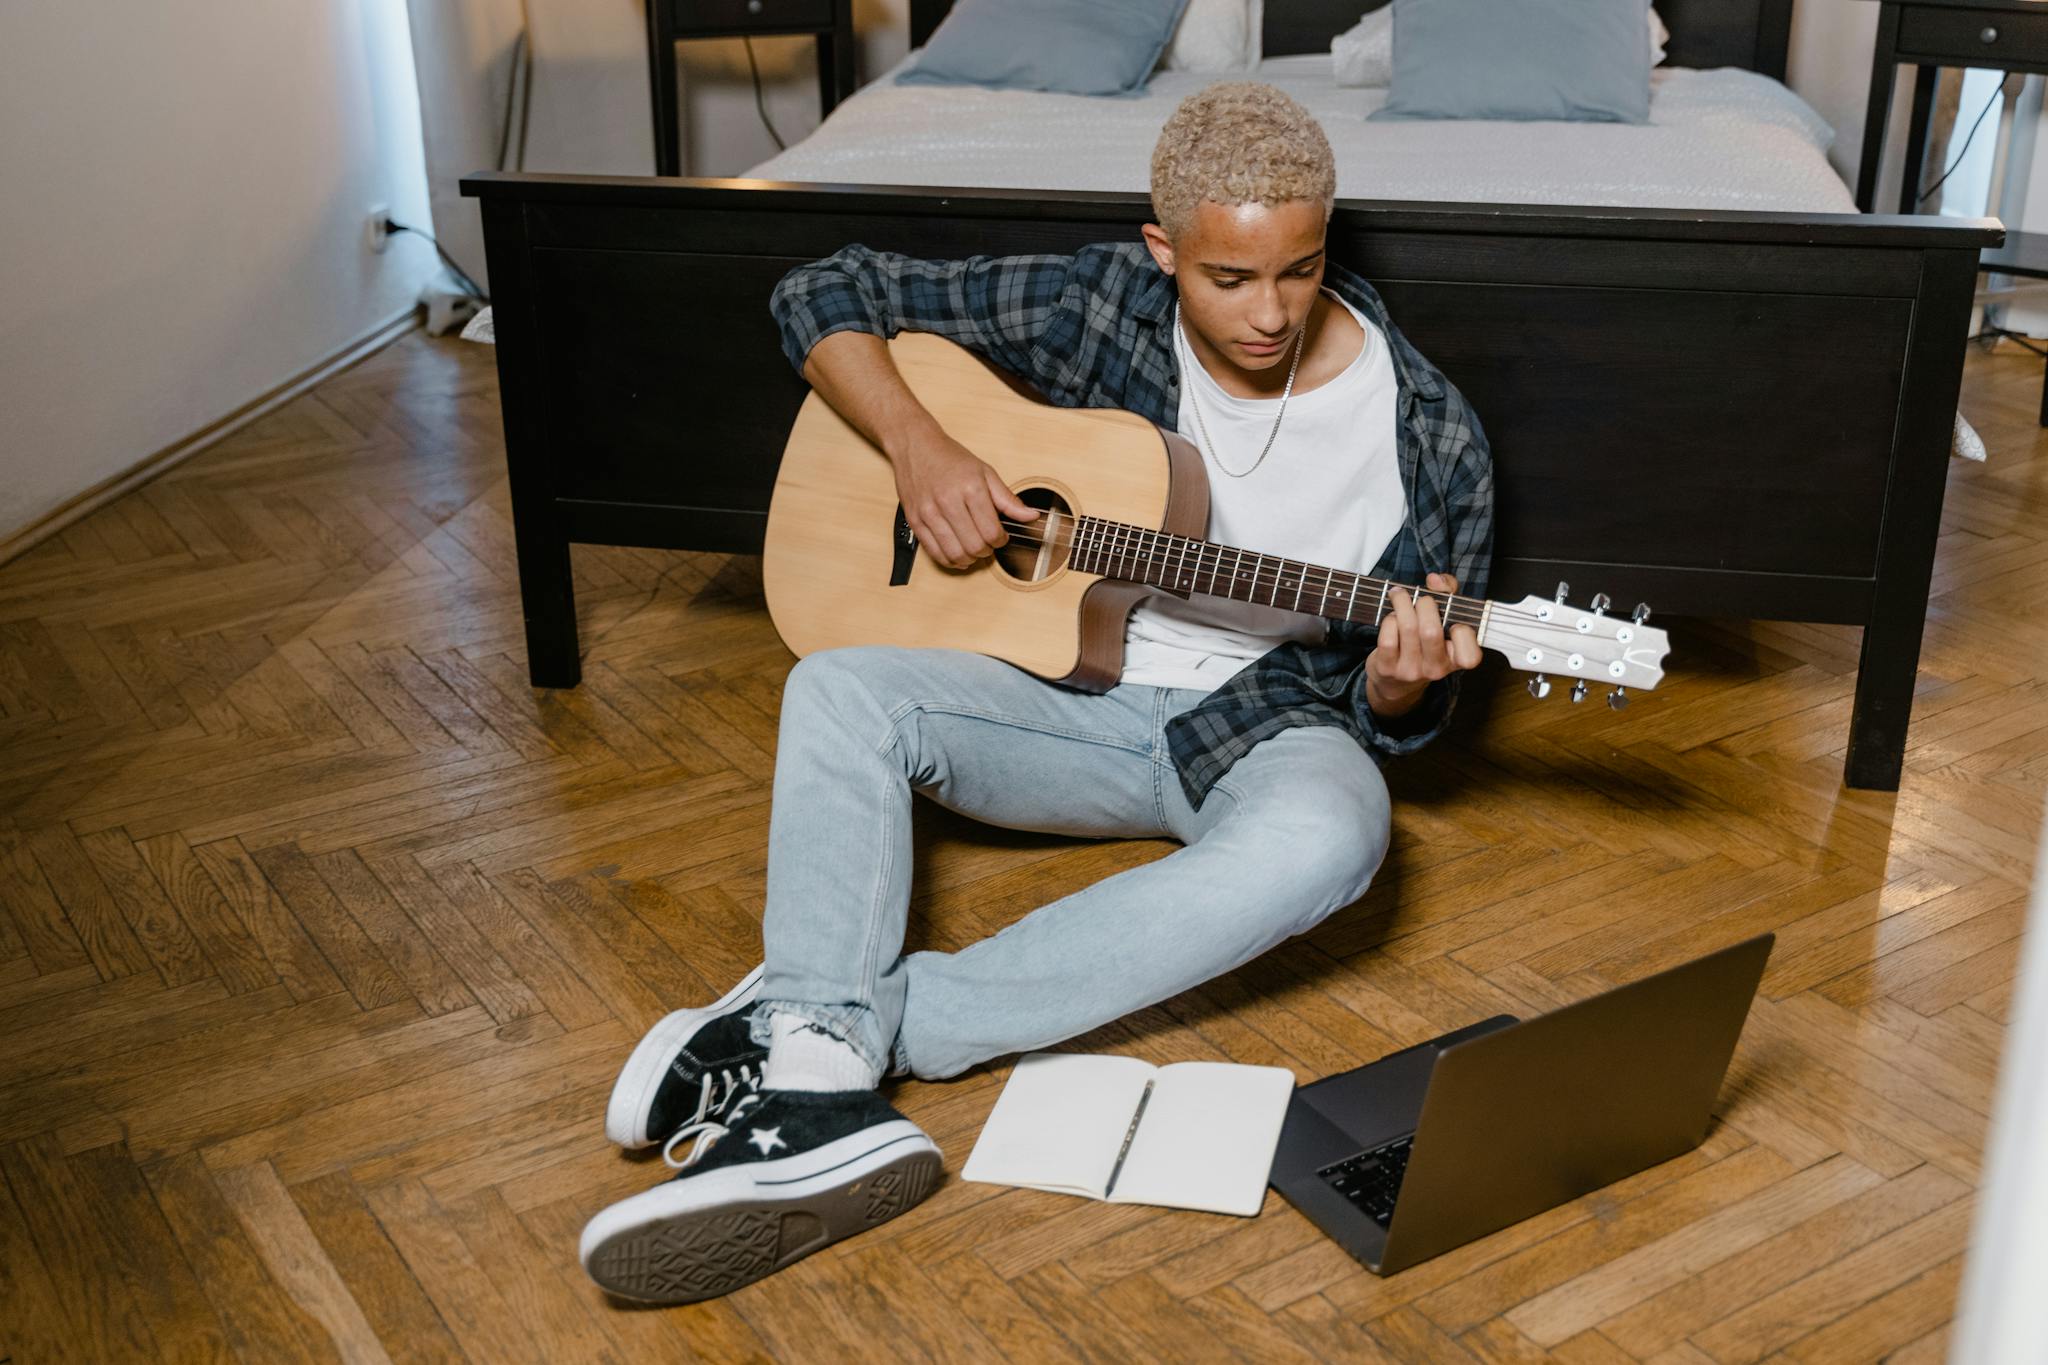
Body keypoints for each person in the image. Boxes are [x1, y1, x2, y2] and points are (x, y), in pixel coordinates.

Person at [577, 82, 1493, 1305]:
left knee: (1339, 834)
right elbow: (820, 289)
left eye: (1300, 270)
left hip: (1270, 727)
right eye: (1226, 280)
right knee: (840, 690)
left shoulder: (1429, 434)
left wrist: (1392, 688)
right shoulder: (1094, 300)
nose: (1269, 313)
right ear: (1162, 249)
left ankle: (828, 1040)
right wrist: (924, 449)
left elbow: (1409, 721)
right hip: (1066, 699)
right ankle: (820, 1049)